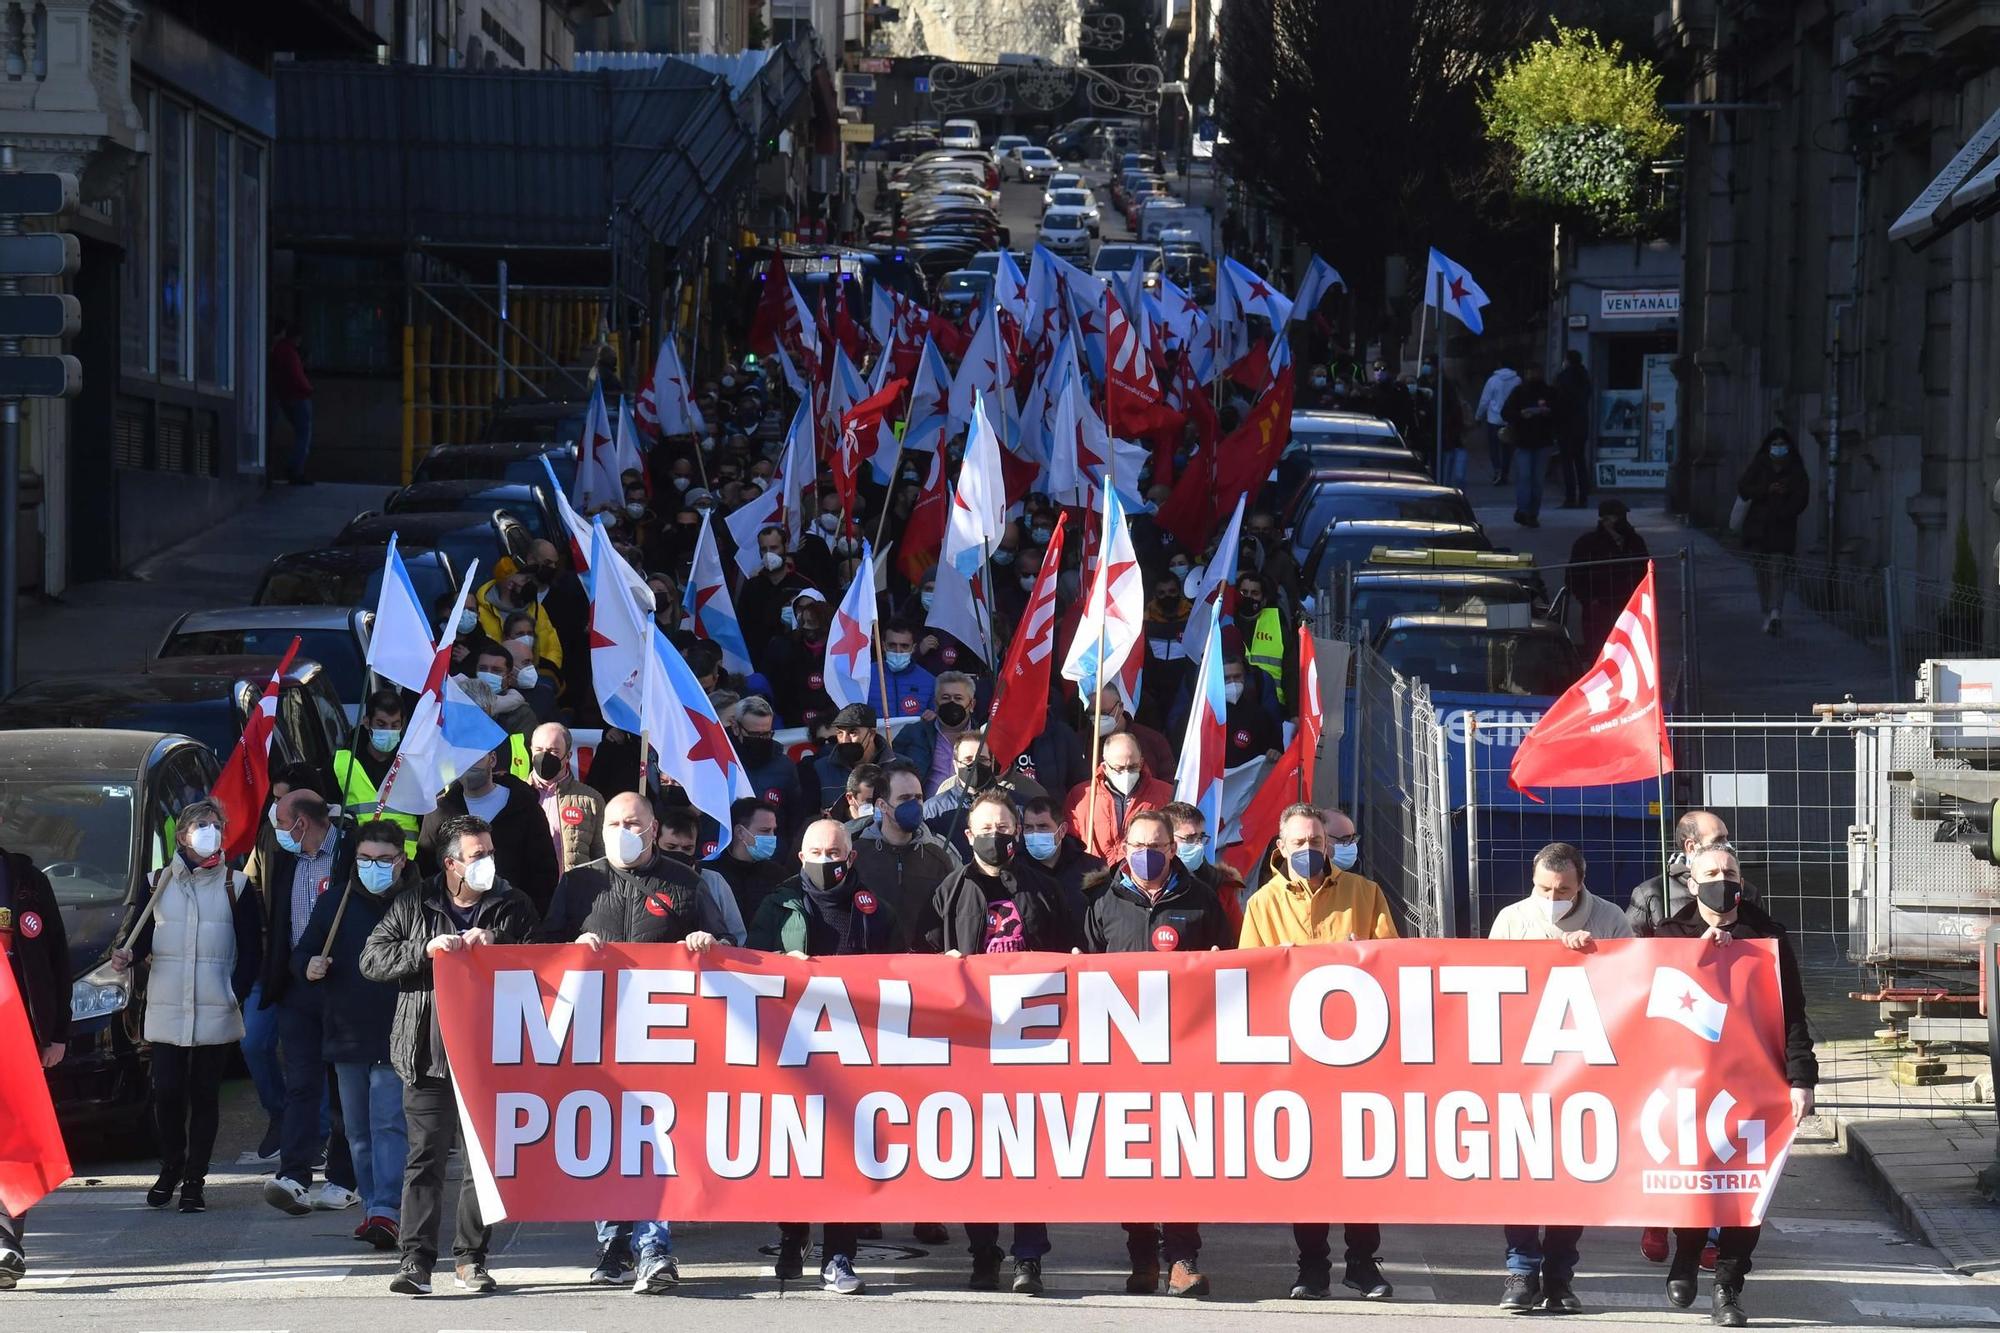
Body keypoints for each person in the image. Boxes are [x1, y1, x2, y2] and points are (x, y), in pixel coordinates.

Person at [360, 815, 540, 1296]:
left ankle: (470, 1258)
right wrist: (425, 949)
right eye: (477, 855)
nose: (488, 863)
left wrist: (497, 948)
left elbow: (541, 969)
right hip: (426, 1051)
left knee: (482, 1163)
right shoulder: (415, 901)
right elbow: (372, 959)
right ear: (451, 864)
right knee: (425, 1158)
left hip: (491, 1055)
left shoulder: (512, 905)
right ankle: (416, 1260)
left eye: (490, 852)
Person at [1650, 846, 1816, 1328]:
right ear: (1690, 882)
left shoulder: (1768, 936)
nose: (1723, 879)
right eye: (1712, 873)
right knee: (1697, 1179)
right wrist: (1695, 956)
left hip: (1756, 1084)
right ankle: (1686, 1257)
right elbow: (1646, 1007)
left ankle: (1729, 1283)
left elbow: (1794, 1015)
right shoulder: (1668, 935)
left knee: (1748, 1188)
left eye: (1731, 872)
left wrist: (1801, 1080)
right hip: (1692, 1085)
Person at [1238, 805, 1395, 1299]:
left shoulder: (1364, 893)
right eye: (1299, 843)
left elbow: (1393, 964)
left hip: (1358, 1054)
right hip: (1295, 1059)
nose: (1310, 850)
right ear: (1280, 847)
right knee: (1305, 1164)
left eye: (1317, 841)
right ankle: (1311, 1267)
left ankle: (1363, 1263)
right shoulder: (1262, 904)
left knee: (1361, 1163)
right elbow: (1249, 980)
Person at [933, 792, 1077, 1294]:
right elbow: (922, 958)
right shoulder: (950, 890)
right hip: (974, 1043)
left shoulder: (1044, 888)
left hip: (1033, 1041)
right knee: (978, 1151)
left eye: (1004, 827)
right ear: (968, 836)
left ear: (1016, 832)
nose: (996, 836)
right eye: (986, 828)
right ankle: (983, 1251)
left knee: (1027, 1152)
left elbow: (1071, 952)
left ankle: (1029, 1256)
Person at [572, 817, 722, 1295]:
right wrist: (569, 946)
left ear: (654, 828)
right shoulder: (580, 882)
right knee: (606, 1141)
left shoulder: (685, 882)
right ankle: (613, 1242)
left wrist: (704, 942)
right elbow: (541, 944)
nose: (624, 829)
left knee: (659, 1141)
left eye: (633, 822)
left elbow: (725, 946)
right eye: (614, 823)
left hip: (666, 1039)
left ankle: (654, 1247)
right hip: (599, 1037)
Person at [1084, 808, 1230, 1296]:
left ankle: (1183, 1260)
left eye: (1157, 847)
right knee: (1134, 1162)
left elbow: (1232, 975)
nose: (1147, 855)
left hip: (1185, 1054)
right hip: (1122, 1057)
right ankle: (1143, 1259)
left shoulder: (1203, 900)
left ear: (1173, 850)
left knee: (1182, 1159)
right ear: (1123, 849)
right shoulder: (1101, 902)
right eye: (1137, 846)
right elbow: (1078, 972)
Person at [1487, 841, 1632, 1314]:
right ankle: (1520, 1270)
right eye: (1544, 888)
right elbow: (1490, 984)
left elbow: (1631, 983)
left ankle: (1559, 1277)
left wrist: (1592, 955)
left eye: (1563, 889)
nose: (1552, 896)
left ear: (1581, 883)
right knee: (1521, 1172)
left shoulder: (1610, 918)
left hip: (1585, 1068)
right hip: (1522, 1068)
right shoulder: (1512, 919)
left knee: (1573, 1173)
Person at [746, 819, 888, 1294]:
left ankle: (839, 1255)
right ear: (799, 856)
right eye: (815, 852)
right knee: (795, 1147)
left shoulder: (875, 909)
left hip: (856, 1052)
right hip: (793, 1049)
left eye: (834, 853)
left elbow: (905, 970)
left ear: (851, 858)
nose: (825, 861)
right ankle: (793, 1236)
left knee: (848, 1155)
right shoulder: (777, 904)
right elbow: (750, 964)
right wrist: (778, 967)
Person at [111, 799, 262, 1214]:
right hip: (167, 1004)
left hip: (216, 1004)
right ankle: (171, 1163)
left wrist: (237, 990)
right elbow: (136, 936)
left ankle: (195, 1179)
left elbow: (251, 948)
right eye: (200, 824)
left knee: (205, 1094)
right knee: (168, 1092)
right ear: (181, 835)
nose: (209, 829)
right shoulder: (157, 880)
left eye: (216, 823)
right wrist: (124, 955)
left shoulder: (237, 884)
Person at [292, 819, 413, 1251]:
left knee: (387, 1124)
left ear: (402, 861)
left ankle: (387, 1210)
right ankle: (373, 1210)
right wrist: (309, 966)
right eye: (365, 859)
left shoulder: (417, 901)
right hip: (346, 1030)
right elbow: (303, 951)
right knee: (357, 1130)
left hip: (398, 1032)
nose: (373, 867)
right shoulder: (336, 902)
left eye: (383, 860)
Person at [257, 789, 361, 1217]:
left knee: (343, 1089)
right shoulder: (286, 859)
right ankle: (294, 1174)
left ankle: (343, 1178)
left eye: (283, 823)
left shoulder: (351, 857)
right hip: (297, 986)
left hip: (341, 986)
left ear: (302, 822)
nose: (278, 832)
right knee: (300, 1082)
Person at [0, 815, 69, 1284]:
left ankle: (6, 1239)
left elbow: (56, 958)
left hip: (19, 1031)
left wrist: (57, 1033)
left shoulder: (24, 880)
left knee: (16, 1137)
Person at [417, 748, 560, 915]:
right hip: (452, 923)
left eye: (474, 757)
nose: (468, 765)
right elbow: (426, 871)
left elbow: (544, 873)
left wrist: (528, 919)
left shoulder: (525, 807)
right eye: (461, 759)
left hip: (513, 921)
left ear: (492, 759)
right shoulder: (440, 812)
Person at [854, 760, 961, 952]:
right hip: (872, 967)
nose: (914, 805)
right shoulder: (857, 857)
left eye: (918, 798)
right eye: (904, 798)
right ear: (882, 805)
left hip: (925, 968)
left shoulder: (939, 858)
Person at [1628, 810, 1761, 939]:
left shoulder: (1746, 892)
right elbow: (1634, 951)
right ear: (1691, 847)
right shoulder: (1652, 894)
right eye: (1719, 839)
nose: (1727, 845)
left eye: (1727, 838)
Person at [1735, 428, 1810, 635]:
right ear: (1769, 446)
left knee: (1778, 569)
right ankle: (1767, 612)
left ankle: (1776, 612)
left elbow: (1802, 498)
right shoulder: (1760, 464)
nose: (1778, 448)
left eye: (1782, 444)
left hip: (1782, 528)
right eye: (1775, 444)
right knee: (1762, 573)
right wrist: (1766, 489)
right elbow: (1743, 488)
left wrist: (1786, 506)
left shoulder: (1795, 468)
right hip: (1758, 529)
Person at [334, 690, 420, 857]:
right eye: (381, 724)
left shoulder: (414, 763)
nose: (388, 730)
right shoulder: (343, 763)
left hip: (406, 862)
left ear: (403, 724)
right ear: (367, 722)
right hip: (360, 861)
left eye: (395, 725)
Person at [1065, 732, 1173, 862]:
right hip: (1094, 877)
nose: (1126, 773)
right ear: (1105, 767)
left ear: (1141, 762)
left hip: (1147, 877)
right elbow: (1070, 843)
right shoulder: (1082, 795)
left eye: (1133, 767)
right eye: (1119, 768)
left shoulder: (1166, 794)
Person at [1566, 498, 1651, 651]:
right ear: (1605, 520)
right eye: (1617, 517)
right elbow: (1574, 576)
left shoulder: (1635, 542)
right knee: (1599, 650)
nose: (1622, 521)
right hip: (1600, 609)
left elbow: (1645, 571)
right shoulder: (1587, 544)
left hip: (1630, 607)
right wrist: (1590, 600)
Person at [527, 723, 604, 877]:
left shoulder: (590, 800)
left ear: (568, 756)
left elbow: (601, 857)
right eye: (539, 750)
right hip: (530, 896)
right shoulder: (515, 795)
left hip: (574, 894)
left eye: (553, 751)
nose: (544, 756)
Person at [732, 696, 809, 840]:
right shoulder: (723, 762)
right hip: (730, 852)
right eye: (754, 735)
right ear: (736, 728)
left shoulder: (785, 767)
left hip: (773, 853)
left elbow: (795, 817)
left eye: (766, 734)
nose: (761, 740)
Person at [1020, 795, 1102, 922]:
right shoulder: (1016, 870)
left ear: (1062, 830)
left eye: (1043, 827)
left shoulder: (1093, 869)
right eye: (1029, 827)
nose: (1035, 833)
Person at [713, 797, 790, 923]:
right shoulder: (713, 875)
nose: (772, 837)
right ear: (740, 832)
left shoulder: (779, 876)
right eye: (765, 830)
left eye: (773, 830)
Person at [1502, 366, 1560, 528]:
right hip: (1527, 440)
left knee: (1532, 479)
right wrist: (1521, 414)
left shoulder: (1548, 392)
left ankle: (1529, 512)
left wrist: (1548, 413)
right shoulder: (1520, 392)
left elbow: (1559, 413)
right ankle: (1525, 511)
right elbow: (1506, 412)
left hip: (1537, 441)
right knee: (1529, 478)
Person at [271, 319, 315, 484]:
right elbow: (297, 376)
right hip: (297, 397)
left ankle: (295, 468)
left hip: (285, 396)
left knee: (301, 433)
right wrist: (309, 390)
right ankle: (296, 469)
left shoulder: (279, 350)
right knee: (304, 434)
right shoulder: (289, 352)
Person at [1553, 349, 1592, 508]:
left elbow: (1559, 402)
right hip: (1581, 424)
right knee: (1580, 461)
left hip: (1566, 425)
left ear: (1567, 360)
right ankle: (1583, 497)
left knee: (1567, 462)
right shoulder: (1585, 376)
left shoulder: (1563, 378)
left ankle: (1570, 497)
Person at [1476, 359, 1521, 484]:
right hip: (1510, 419)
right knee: (1507, 448)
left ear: (1499, 365)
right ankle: (1505, 473)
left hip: (1494, 419)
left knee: (1494, 448)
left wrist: (1479, 417)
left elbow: (1485, 401)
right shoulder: (1517, 380)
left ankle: (1497, 470)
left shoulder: (1493, 380)